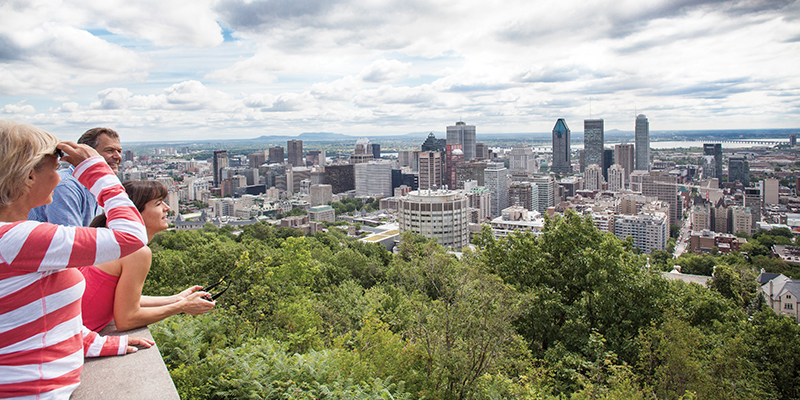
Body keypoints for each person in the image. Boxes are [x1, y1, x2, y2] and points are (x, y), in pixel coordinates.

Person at [0, 121, 152, 399]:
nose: (60, 177)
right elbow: (131, 237)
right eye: (55, 167)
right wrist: (97, 172)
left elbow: (38, 315)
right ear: (29, 176)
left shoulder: (11, 242)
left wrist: (93, 343)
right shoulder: (15, 240)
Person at [81, 180, 215, 332]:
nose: (167, 208)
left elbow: (124, 301)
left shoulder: (110, 240)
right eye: (158, 204)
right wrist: (182, 307)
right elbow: (126, 319)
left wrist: (176, 299)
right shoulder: (135, 251)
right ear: (135, 213)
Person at [28, 127, 123, 226]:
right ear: (87, 152)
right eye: (109, 150)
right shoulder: (65, 186)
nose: (117, 156)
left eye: (119, 151)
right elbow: (69, 239)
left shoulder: (94, 187)